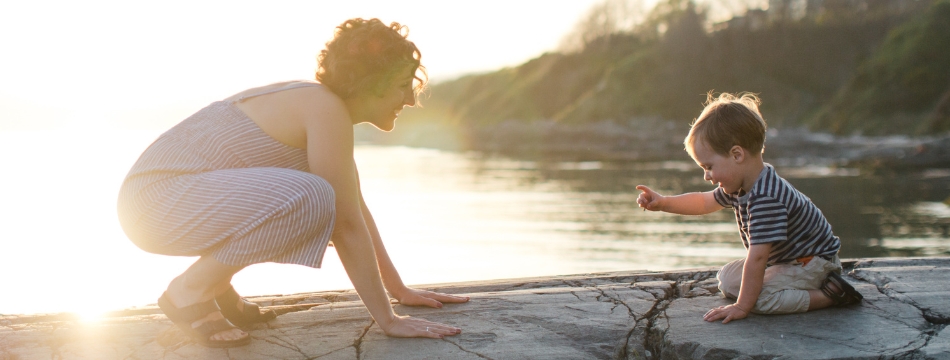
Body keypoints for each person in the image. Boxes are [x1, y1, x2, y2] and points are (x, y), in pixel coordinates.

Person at [117, 18, 469, 348]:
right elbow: (345, 223)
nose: (410, 99)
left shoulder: (321, 109)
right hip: (153, 205)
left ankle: (215, 285)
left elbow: (355, 210)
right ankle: (191, 290)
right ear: (370, 83)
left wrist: (398, 289)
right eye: (402, 86)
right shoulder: (323, 107)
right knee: (313, 196)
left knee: (322, 196)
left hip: (156, 205)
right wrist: (388, 321)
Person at [636, 92, 863, 324]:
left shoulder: (766, 198)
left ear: (737, 154)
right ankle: (790, 290)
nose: (706, 176)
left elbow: (757, 258)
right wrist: (663, 202)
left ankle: (830, 295)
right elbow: (704, 202)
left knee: (758, 301)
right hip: (788, 260)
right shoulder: (741, 184)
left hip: (814, 263)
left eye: (709, 166)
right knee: (727, 279)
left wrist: (743, 306)